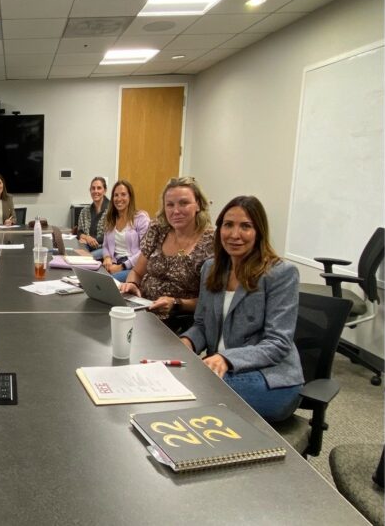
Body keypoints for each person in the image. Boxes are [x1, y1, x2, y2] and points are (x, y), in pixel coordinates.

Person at [179, 196, 303, 422]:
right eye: (228, 225)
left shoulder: (281, 273)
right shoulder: (211, 268)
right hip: (224, 372)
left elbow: (277, 343)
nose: (234, 234)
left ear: (259, 232)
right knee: (179, 382)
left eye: (245, 226)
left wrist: (225, 359)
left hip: (271, 380)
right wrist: (186, 342)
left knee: (191, 391)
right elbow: (201, 325)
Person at [120, 176, 214, 327]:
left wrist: (176, 303)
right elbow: (137, 272)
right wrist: (132, 284)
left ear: (198, 205)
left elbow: (209, 301)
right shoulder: (158, 229)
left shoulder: (211, 243)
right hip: (142, 308)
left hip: (178, 318)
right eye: (170, 205)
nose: (176, 211)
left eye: (184, 203)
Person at [101, 180, 150, 282]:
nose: (119, 199)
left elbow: (145, 251)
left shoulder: (141, 218)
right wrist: (107, 257)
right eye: (116, 195)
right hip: (114, 263)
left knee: (108, 282)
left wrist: (122, 266)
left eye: (123, 194)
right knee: (94, 278)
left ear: (130, 197)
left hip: (134, 267)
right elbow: (105, 245)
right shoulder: (110, 219)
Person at [77, 176, 110, 260]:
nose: (96, 191)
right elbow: (79, 232)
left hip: (105, 248)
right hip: (86, 245)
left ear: (105, 190)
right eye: (93, 188)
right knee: (73, 254)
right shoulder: (84, 211)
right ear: (90, 190)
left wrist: (89, 239)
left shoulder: (112, 210)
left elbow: (110, 235)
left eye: (99, 188)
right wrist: (87, 238)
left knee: (83, 259)